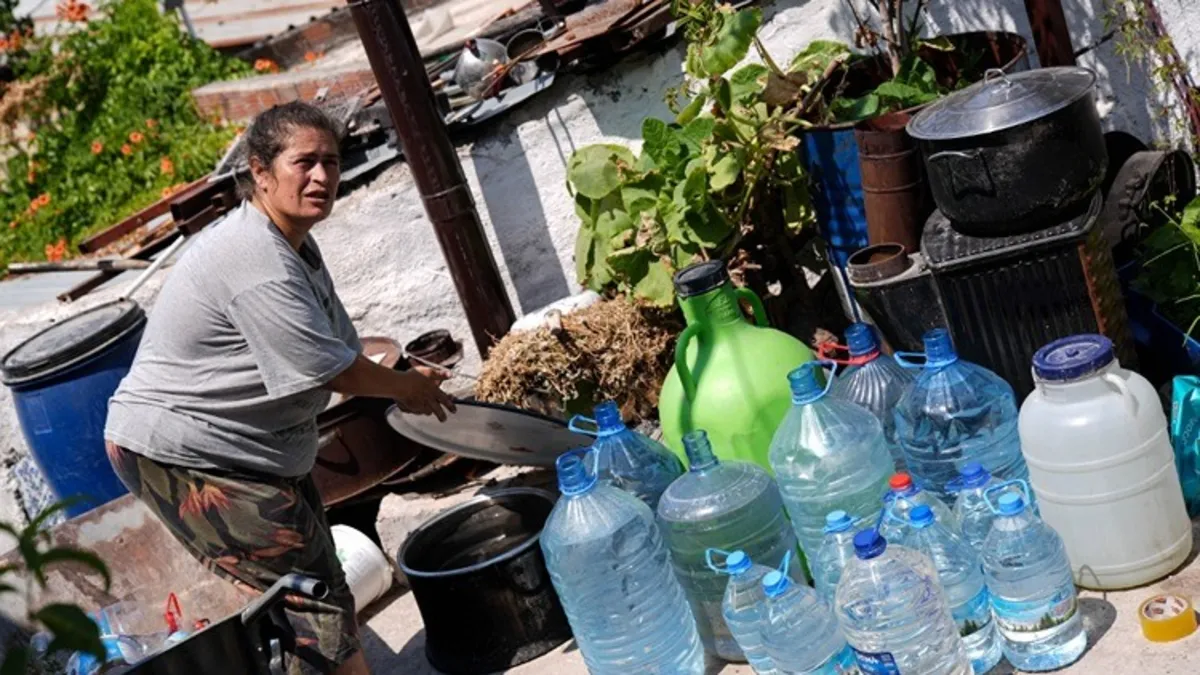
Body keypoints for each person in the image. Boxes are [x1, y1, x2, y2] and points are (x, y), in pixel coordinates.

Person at [104, 101, 454, 675]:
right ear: (260, 172)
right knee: (311, 600)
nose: (322, 177)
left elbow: (343, 347)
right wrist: (404, 389)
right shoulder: (253, 257)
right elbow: (334, 371)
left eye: (333, 163)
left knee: (312, 592)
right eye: (305, 162)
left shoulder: (295, 248)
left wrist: (402, 373)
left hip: (244, 449)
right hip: (185, 453)